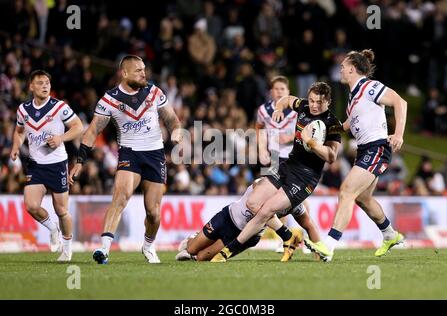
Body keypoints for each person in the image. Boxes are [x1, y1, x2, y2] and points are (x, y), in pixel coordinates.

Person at [69, 55, 182, 264]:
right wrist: (79, 161)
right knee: (121, 196)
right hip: (129, 152)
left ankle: (148, 246)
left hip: (155, 154)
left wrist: (176, 132)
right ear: (125, 73)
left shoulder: (154, 92)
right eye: (138, 70)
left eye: (144, 69)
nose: (143, 73)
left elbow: (172, 119)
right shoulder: (110, 99)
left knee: (154, 213)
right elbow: (92, 130)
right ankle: (103, 249)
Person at [211, 82, 343, 262]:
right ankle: (290, 236)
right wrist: (279, 108)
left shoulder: (333, 123)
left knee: (267, 210)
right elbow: (288, 100)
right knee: (253, 202)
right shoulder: (304, 106)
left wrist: (312, 143)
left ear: (328, 101)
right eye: (311, 100)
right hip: (288, 166)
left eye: (318, 102)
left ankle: (225, 253)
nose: (313, 105)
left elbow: (332, 156)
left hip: (305, 178)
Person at [304, 49, 407, 262]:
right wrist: (325, 130)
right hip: (364, 150)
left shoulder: (370, 87)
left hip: (377, 147)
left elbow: (401, 102)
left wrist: (398, 134)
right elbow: (348, 125)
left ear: (352, 69)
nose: (340, 69)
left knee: (347, 191)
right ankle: (390, 234)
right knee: (363, 198)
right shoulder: (354, 97)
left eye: (343, 66)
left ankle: (329, 245)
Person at [10, 70, 83, 261]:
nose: (45, 86)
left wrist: (61, 138)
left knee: (61, 210)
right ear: (31, 86)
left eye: (47, 83)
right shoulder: (23, 110)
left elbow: (78, 127)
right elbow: (19, 131)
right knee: (31, 205)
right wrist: (16, 146)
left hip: (57, 164)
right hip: (35, 165)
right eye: (40, 83)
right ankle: (52, 228)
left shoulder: (59, 107)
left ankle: (67, 249)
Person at [176, 179, 321, 262]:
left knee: (201, 257)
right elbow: (255, 205)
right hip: (228, 217)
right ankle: (191, 240)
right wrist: (286, 234)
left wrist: (320, 254)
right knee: (192, 249)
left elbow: (309, 225)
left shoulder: (292, 203)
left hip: (246, 235)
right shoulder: (264, 183)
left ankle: (200, 246)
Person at [256, 75, 298, 253]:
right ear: (271, 91)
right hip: (272, 157)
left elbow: (310, 131)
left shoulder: (297, 110)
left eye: (282, 89)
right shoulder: (264, 110)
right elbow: (259, 129)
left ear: (288, 92)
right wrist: (261, 150)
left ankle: (305, 232)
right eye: (276, 89)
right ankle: (286, 238)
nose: (279, 91)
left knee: (294, 200)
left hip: (292, 157)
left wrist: (291, 137)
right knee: (269, 199)